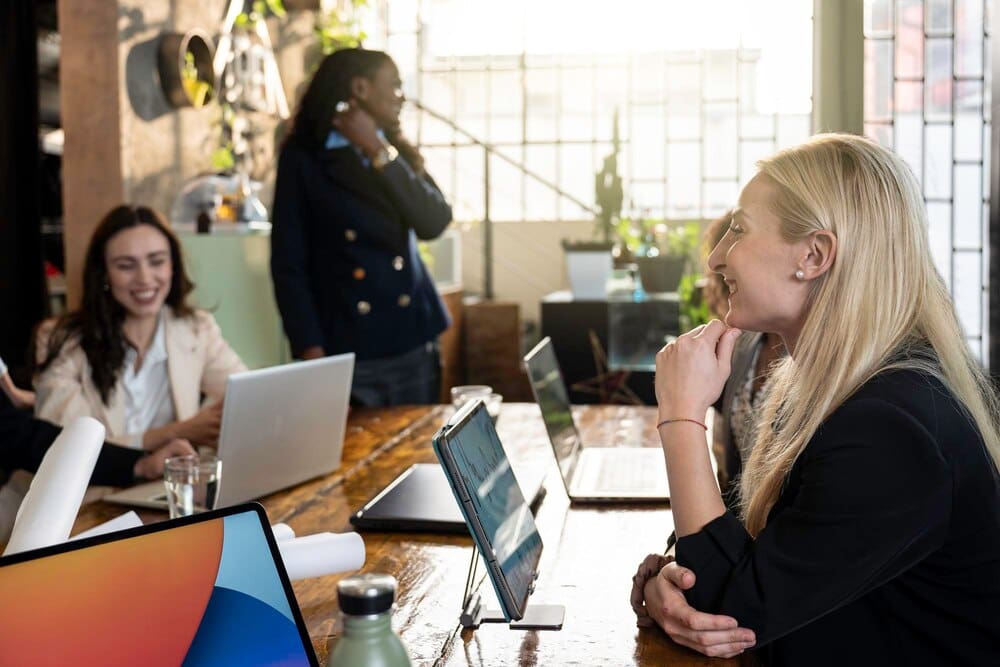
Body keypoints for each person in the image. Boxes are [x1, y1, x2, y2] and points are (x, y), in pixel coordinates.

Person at [641, 134, 1000, 663]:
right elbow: (744, 541)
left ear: (814, 255)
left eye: (738, 230)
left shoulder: (890, 426)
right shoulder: (824, 386)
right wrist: (668, 576)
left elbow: (727, 612)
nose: (716, 258)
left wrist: (681, 415)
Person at [271, 47, 452, 407]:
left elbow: (433, 220)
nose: (401, 96)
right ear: (360, 87)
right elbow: (288, 264)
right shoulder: (304, 157)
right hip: (348, 346)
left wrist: (378, 150)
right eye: (395, 85)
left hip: (413, 339)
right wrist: (310, 347)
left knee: (414, 453)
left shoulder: (391, 149)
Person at [33, 205, 246, 450]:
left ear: (172, 267)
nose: (144, 278)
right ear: (104, 273)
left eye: (157, 262)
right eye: (126, 266)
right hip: (85, 488)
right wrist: (175, 433)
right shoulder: (60, 339)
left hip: (157, 487)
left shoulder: (196, 328)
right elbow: (68, 448)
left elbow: (247, 396)